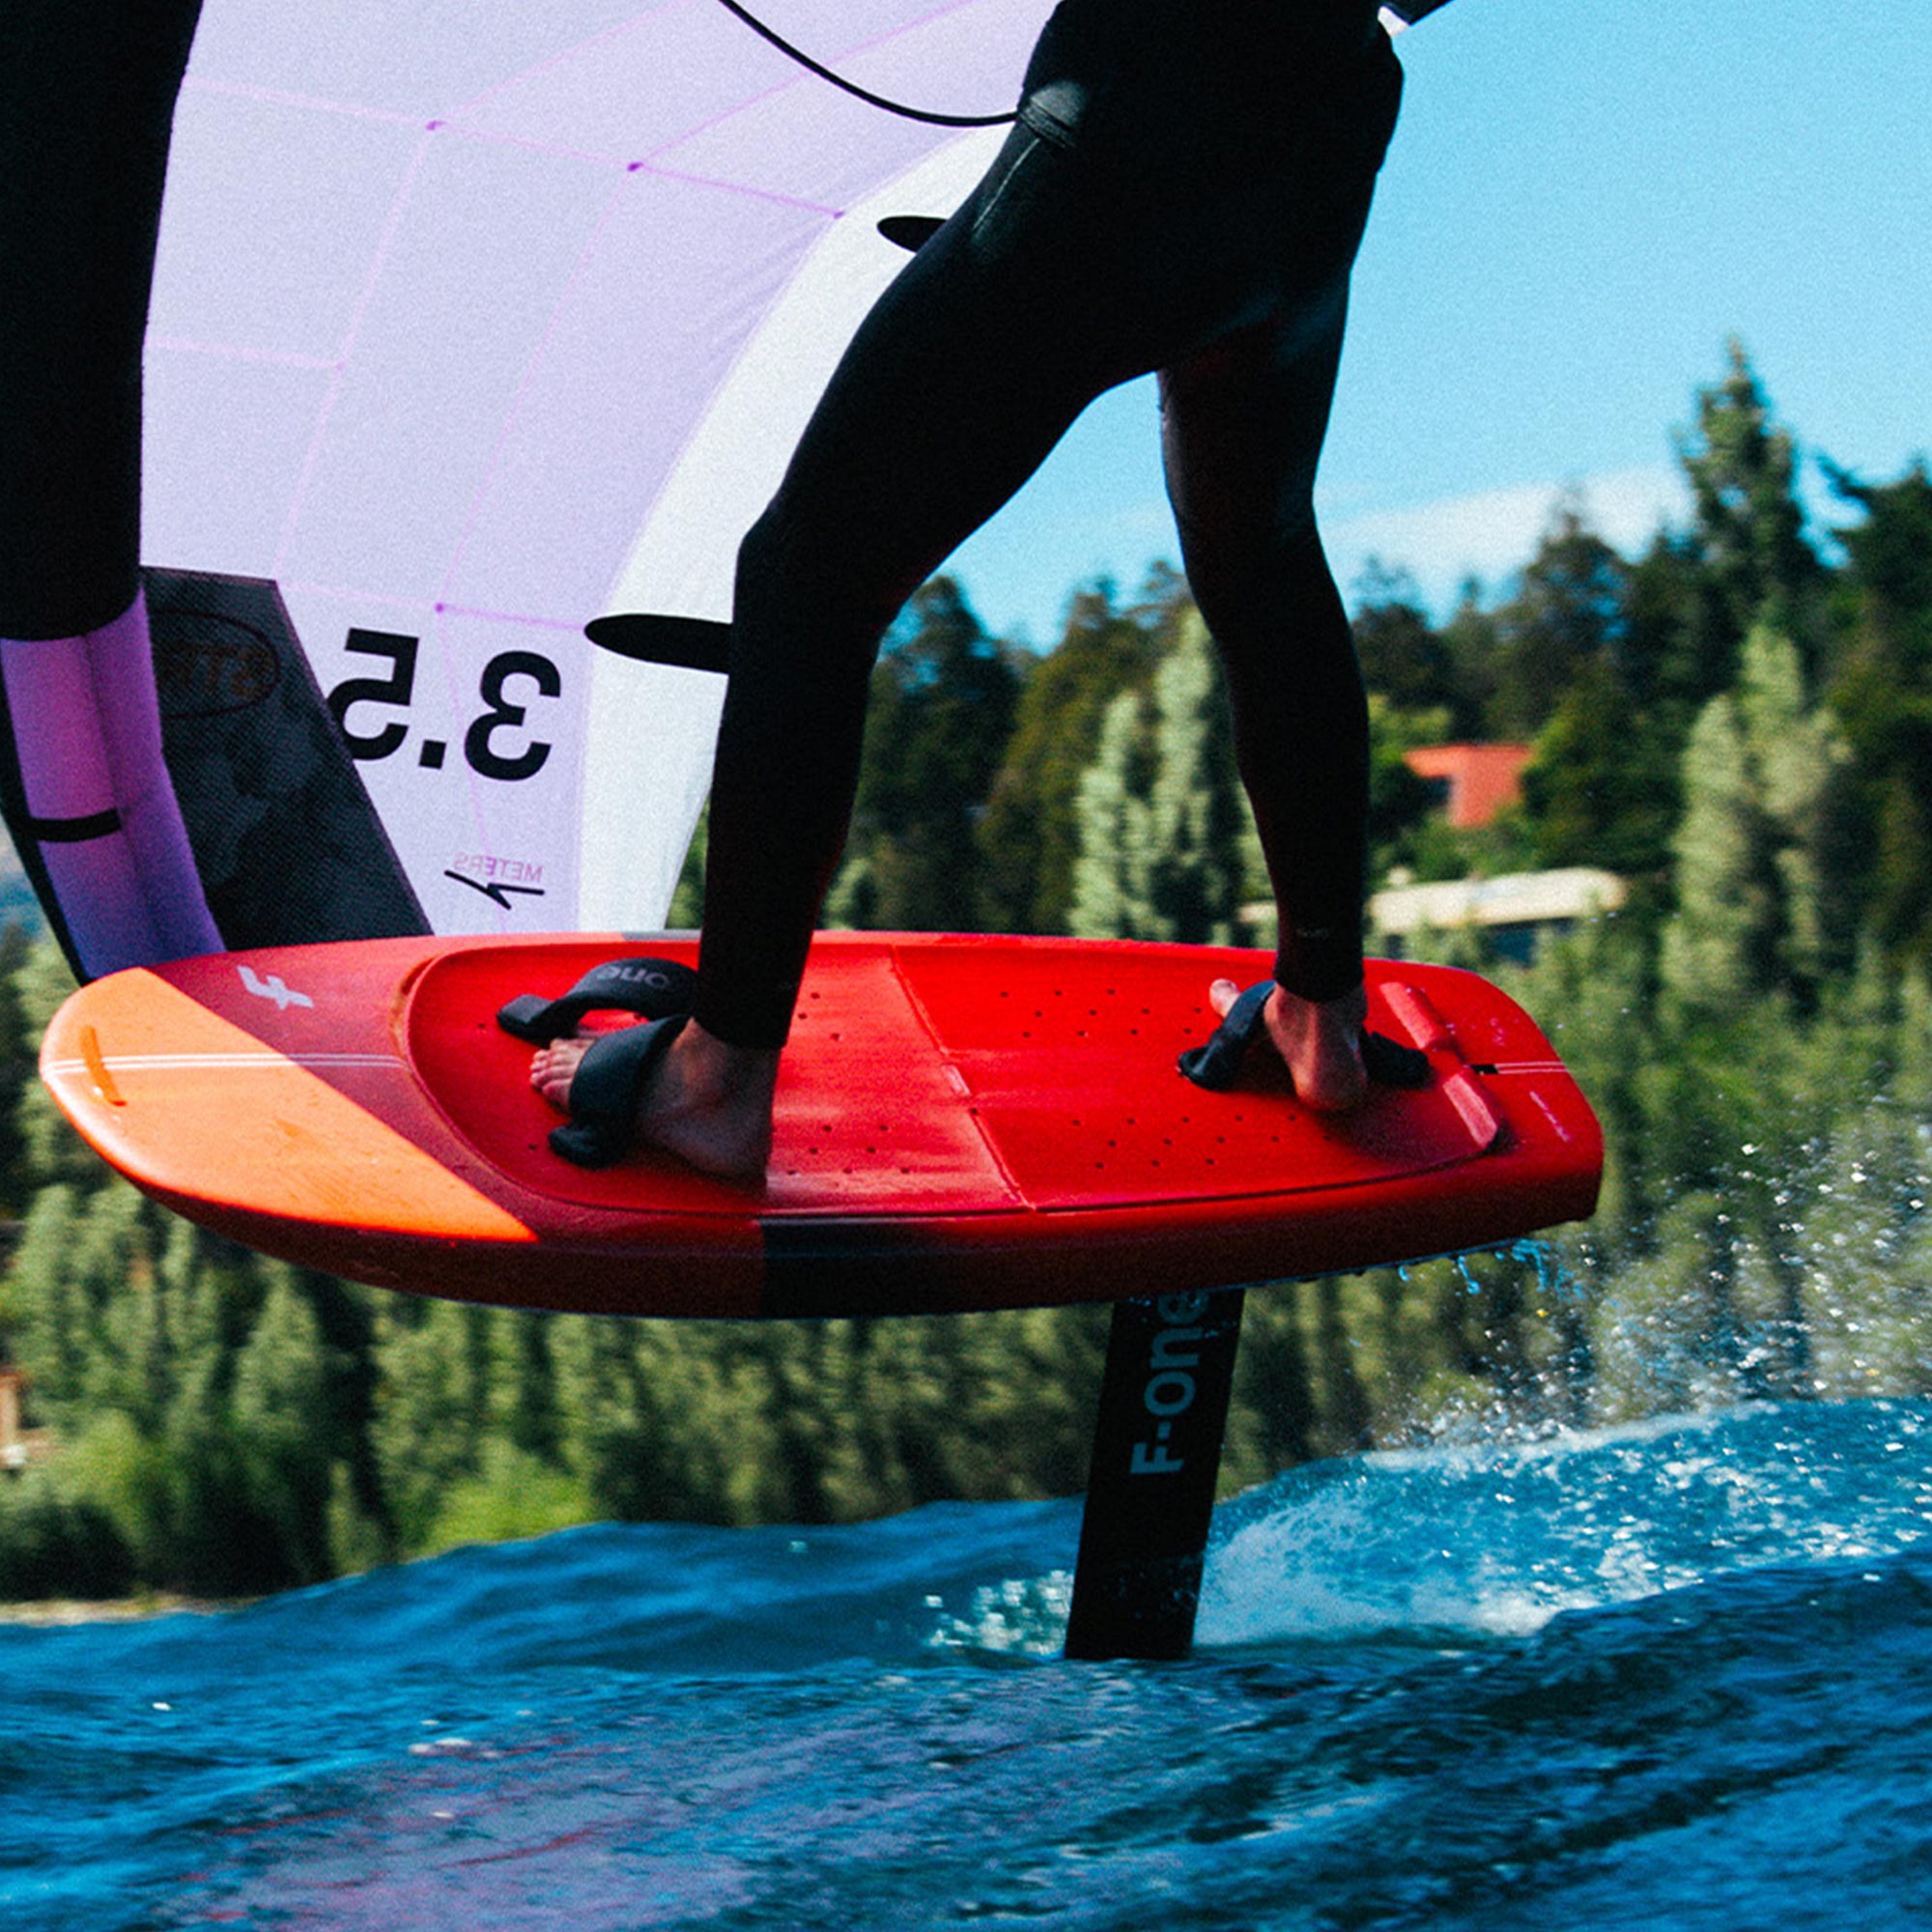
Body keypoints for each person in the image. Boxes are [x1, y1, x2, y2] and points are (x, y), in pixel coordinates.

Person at [533, 0, 1409, 1177]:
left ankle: (716, 1073)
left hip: (1125, 130)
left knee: (804, 581)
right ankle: (1321, 1009)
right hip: (1320, 144)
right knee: (1262, 561)